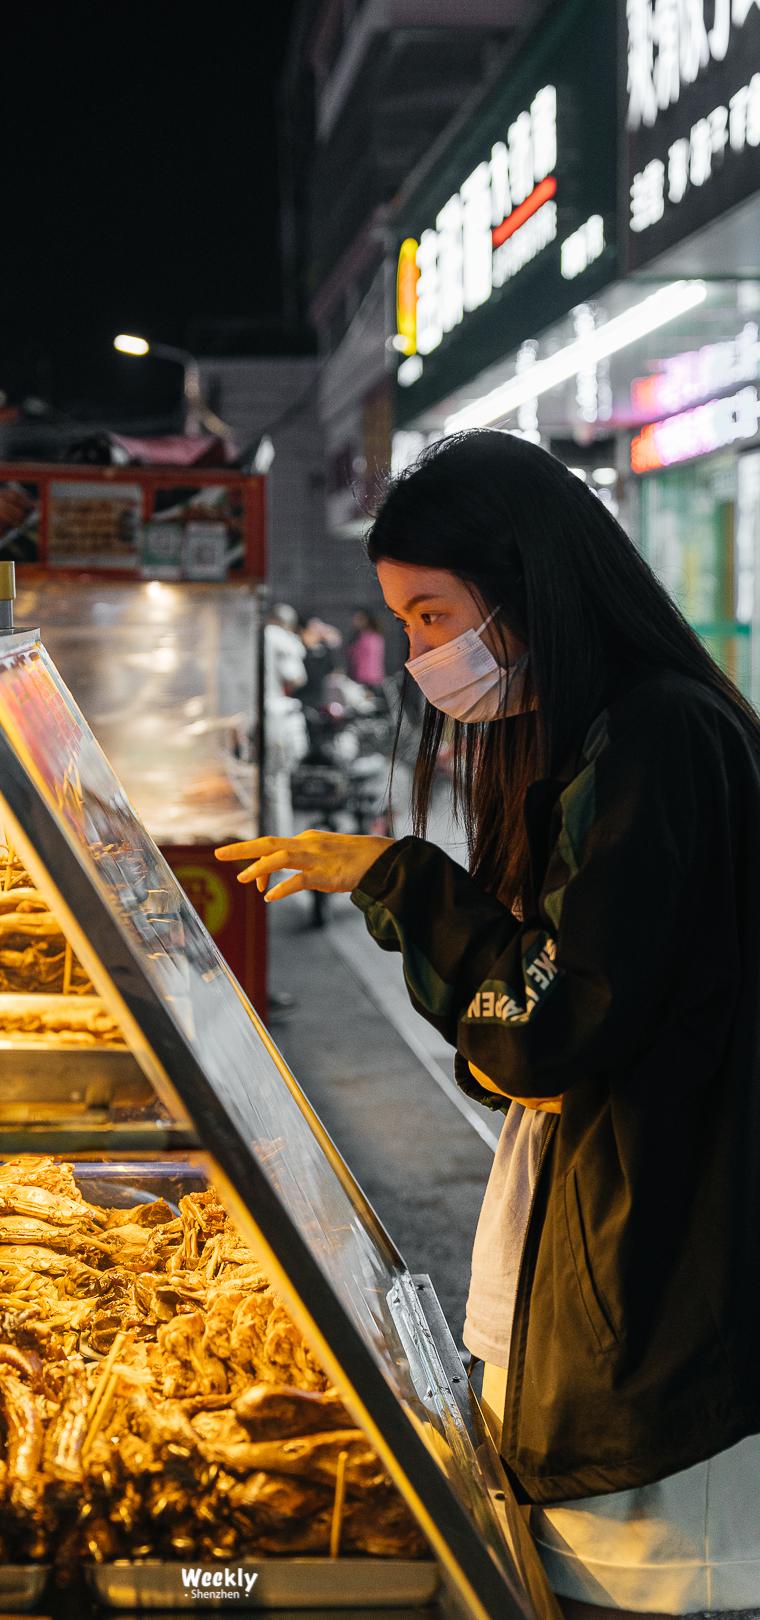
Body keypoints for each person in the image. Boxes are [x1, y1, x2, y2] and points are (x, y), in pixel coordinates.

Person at [217, 430, 760, 1620]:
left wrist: (400, 879)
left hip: (664, 1295)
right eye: (404, 623)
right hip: (598, 1255)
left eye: (429, 615)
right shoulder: (595, 739)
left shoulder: (658, 740)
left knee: (654, 1592)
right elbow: (544, 1028)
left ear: (526, 589)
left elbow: (552, 1023)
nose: (420, 654)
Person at [262, 602, 308, 838]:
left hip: (258, 719)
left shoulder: (257, 634)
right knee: (277, 787)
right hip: (276, 721)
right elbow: (296, 676)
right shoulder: (280, 638)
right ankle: (281, 848)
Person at [347, 607, 386, 686]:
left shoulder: (374, 637)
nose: (356, 621)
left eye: (359, 618)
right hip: (359, 678)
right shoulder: (357, 637)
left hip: (372, 679)